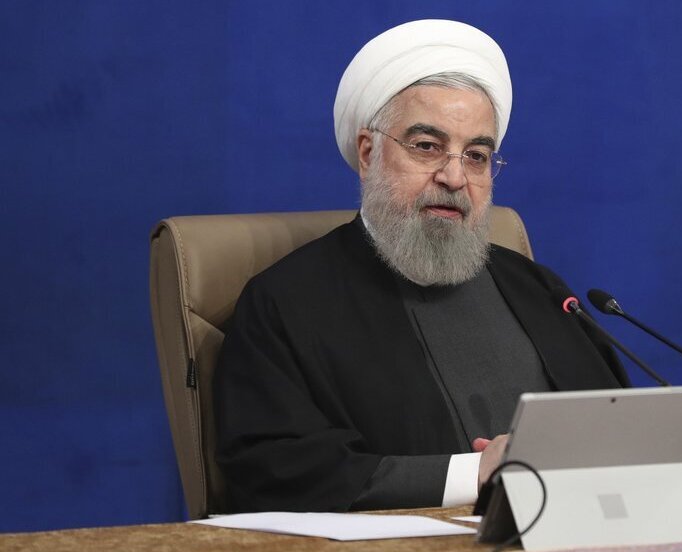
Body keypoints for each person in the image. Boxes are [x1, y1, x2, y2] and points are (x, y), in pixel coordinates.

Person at [213, 19, 628, 513]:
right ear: (369, 153)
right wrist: (473, 475)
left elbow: (616, 431)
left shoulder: (537, 289)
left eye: (476, 156)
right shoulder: (286, 302)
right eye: (428, 147)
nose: (454, 177)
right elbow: (272, 469)